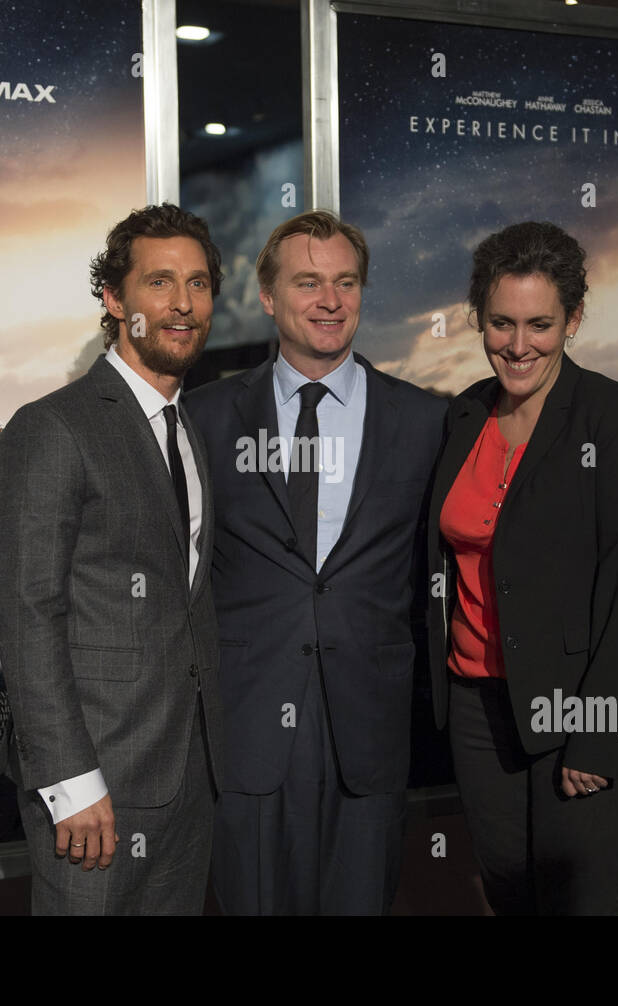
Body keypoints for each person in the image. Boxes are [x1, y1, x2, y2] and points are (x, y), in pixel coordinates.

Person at [186, 210, 445, 914]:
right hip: (247, 722)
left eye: (345, 282)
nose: (330, 301)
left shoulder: (426, 421)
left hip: (372, 723)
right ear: (268, 298)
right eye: (308, 283)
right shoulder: (205, 419)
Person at [425, 221, 618, 915]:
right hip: (481, 707)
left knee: (576, 904)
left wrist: (597, 733)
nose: (517, 344)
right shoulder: (465, 415)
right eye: (500, 323)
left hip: (583, 705)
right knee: (511, 897)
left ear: (573, 319)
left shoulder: (612, 415)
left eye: (539, 324)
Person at [0, 204, 225, 915]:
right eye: (159, 282)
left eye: (200, 283)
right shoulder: (52, 427)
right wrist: (71, 781)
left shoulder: (190, 426)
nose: (183, 304)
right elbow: (27, 614)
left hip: (188, 776)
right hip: (97, 785)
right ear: (115, 300)